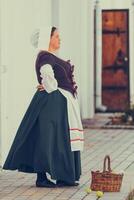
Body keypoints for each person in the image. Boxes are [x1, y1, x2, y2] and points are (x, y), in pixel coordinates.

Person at [3, 26, 84, 188]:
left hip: (59, 101)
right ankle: (42, 178)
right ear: (47, 39)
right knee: (48, 138)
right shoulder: (45, 56)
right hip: (52, 102)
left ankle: (64, 176)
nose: (59, 39)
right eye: (56, 36)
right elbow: (46, 73)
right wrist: (51, 87)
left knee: (59, 138)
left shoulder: (51, 56)